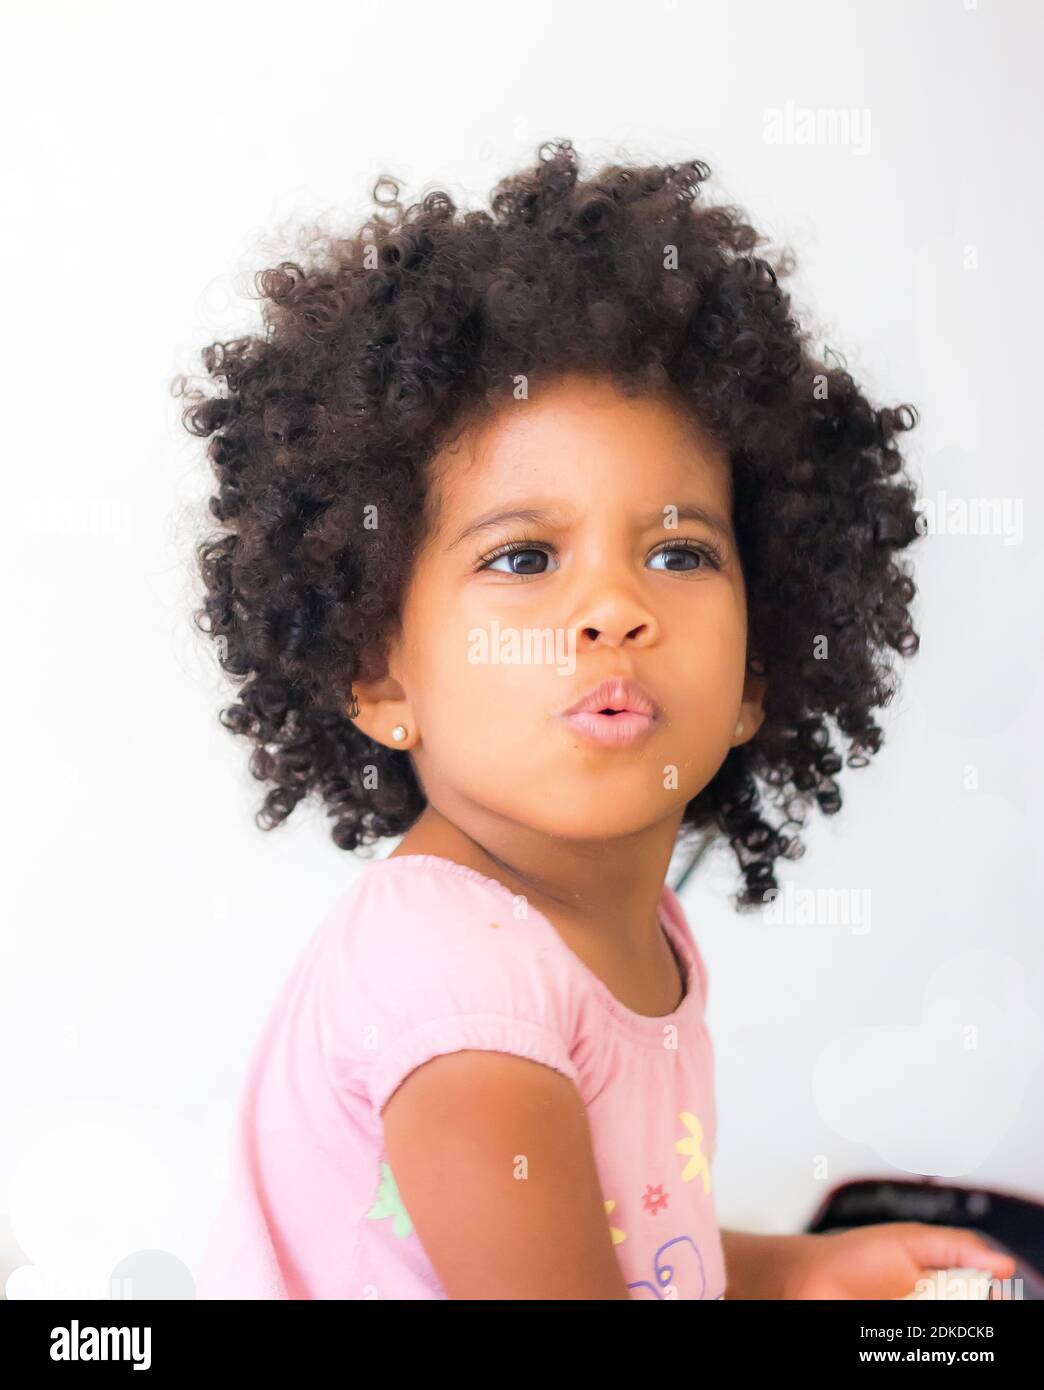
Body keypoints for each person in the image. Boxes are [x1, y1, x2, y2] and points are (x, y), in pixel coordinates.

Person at [180, 139, 1013, 1299]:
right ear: (382, 676)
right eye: (524, 556)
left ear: (757, 675)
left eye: (679, 551)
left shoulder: (636, 929)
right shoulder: (456, 989)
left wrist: (793, 1276)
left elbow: (629, 1244)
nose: (615, 608)